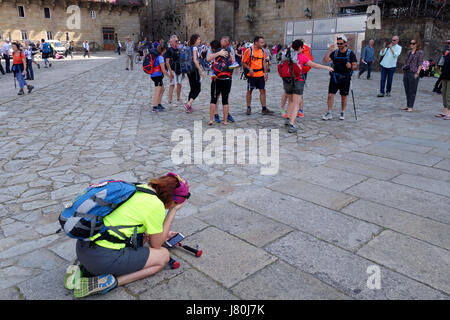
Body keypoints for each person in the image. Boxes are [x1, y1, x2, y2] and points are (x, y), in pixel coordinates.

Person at [71, 173, 190, 298]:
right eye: (176, 203)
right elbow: (156, 245)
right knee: (163, 256)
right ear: (173, 199)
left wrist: (161, 234)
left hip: (83, 249)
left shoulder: (137, 188)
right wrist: (173, 211)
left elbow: (133, 224)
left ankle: (83, 270)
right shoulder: (155, 205)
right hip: (101, 260)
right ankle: (112, 282)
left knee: (142, 237)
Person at [281, 39, 334, 133]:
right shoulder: (302, 56)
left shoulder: (287, 55)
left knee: (290, 101)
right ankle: (291, 124)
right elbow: (314, 65)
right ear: (301, 47)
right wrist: (326, 67)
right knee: (296, 103)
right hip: (298, 81)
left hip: (287, 81)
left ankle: (287, 118)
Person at [322, 35, 358, 121]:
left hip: (345, 78)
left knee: (343, 96)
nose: (339, 45)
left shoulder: (350, 53)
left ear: (345, 43)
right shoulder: (335, 53)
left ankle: (342, 111)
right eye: (338, 43)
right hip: (335, 77)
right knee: (330, 95)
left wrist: (350, 66)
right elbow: (325, 61)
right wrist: (329, 50)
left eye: (341, 43)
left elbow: (355, 66)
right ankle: (329, 113)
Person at [242, 36, 274, 116]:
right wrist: (249, 68)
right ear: (256, 43)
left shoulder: (263, 51)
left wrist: (265, 73)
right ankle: (248, 107)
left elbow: (264, 63)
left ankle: (264, 108)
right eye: (261, 42)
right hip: (251, 75)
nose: (263, 44)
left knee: (263, 91)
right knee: (249, 91)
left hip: (260, 74)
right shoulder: (249, 51)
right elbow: (243, 62)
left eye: (263, 42)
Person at [207, 39, 233, 125]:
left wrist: (217, 54)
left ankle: (211, 119)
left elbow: (207, 58)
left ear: (213, 48)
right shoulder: (227, 52)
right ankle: (225, 121)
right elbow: (232, 63)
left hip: (216, 79)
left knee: (213, 99)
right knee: (225, 100)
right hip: (227, 79)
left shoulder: (214, 54)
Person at [400, 39, 424, 112]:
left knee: (412, 90)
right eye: (410, 43)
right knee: (407, 89)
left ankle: (411, 106)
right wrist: (404, 67)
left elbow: (420, 64)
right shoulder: (409, 52)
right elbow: (406, 62)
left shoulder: (420, 52)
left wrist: (417, 73)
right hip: (407, 72)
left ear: (416, 44)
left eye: (413, 43)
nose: (411, 45)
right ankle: (408, 105)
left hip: (414, 73)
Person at [184, 34, 205, 113]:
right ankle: (188, 104)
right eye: (199, 39)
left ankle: (189, 107)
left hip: (188, 70)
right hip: (194, 70)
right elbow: (195, 61)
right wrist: (200, 70)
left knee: (192, 88)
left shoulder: (189, 47)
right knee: (197, 89)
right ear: (195, 40)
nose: (200, 41)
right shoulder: (195, 48)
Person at [150, 43, 172, 112]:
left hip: (155, 75)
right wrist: (169, 76)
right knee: (157, 91)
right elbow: (163, 70)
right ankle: (155, 106)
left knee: (162, 89)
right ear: (164, 50)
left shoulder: (157, 56)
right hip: (157, 76)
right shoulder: (161, 58)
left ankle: (159, 104)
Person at [165, 35, 183, 107]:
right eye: (176, 41)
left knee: (179, 84)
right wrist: (170, 72)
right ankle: (170, 100)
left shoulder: (178, 49)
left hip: (179, 69)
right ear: (171, 42)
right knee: (172, 84)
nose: (177, 42)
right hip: (172, 69)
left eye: (178, 41)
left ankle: (178, 98)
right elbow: (167, 62)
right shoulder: (169, 50)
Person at [435, 46, 450, 120]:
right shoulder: (447, 54)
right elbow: (442, 64)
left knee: (448, 95)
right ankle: (445, 111)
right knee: (444, 94)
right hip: (444, 76)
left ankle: (449, 113)